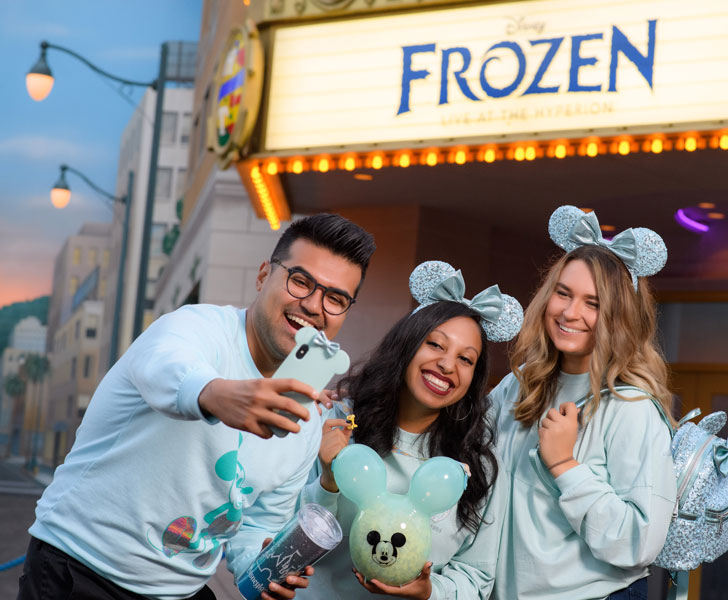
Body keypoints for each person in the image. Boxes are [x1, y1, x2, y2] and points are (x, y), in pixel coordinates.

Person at [18, 214, 375, 600]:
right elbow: (166, 363)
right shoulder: (197, 328)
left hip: (180, 591)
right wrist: (214, 393)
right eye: (301, 281)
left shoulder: (306, 423)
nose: (313, 305)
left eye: (335, 298)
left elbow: (258, 524)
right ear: (262, 277)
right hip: (79, 568)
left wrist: (267, 565)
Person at [299, 261, 522, 600]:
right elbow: (289, 536)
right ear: (406, 345)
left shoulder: (481, 469)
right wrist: (329, 480)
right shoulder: (339, 422)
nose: (447, 365)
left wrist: (430, 592)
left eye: (466, 359)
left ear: (474, 379)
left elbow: (477, 577)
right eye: (435, 344)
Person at [490, 206, 677, 600]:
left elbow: (637, 542)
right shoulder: (517, 385)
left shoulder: (632, 407)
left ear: (619, 316)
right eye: (564, 293)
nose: (570, 313)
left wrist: (564, 465)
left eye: (593, 303)